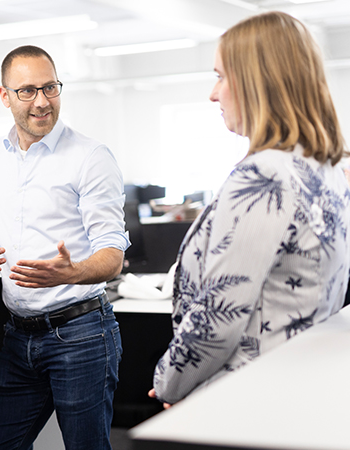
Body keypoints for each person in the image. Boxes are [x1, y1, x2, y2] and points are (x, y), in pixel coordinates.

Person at [150, 11, 350, 407]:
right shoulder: (326, 170)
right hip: (297, 387)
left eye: (221, 76)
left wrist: (170, 382)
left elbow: (218, 315)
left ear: (259, 82)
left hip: (245, 395)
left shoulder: (264, 176)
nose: (213, 93)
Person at [0, 45, 129, 449]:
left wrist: (74, 271)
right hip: (18, 335)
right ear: (4, 96)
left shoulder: (90, 157)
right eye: (27, 91)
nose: (42, 102)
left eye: (50, 87)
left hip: (81, 334)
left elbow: (112, 253)